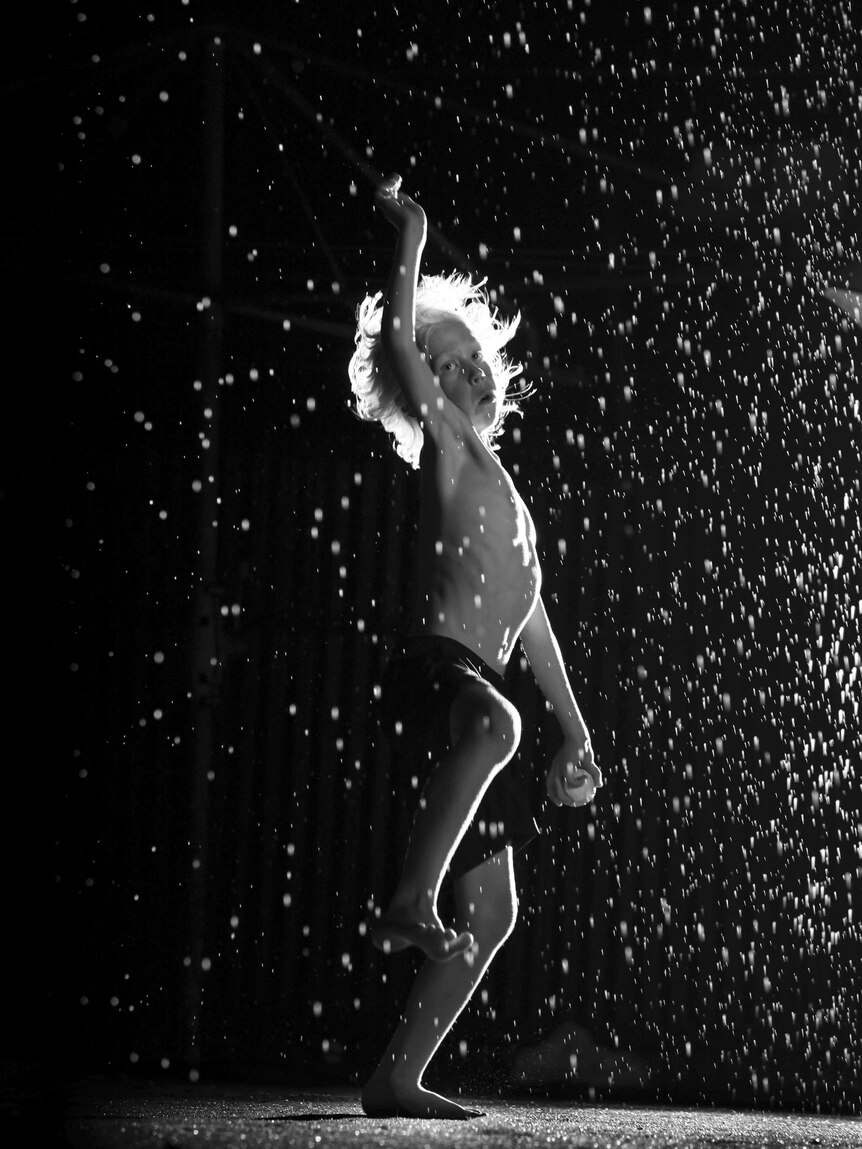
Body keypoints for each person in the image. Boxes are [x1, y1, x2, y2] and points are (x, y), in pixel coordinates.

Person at [348, 174, 602, 1119]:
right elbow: (404, 344)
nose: (461, 376)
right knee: (494, 723)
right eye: (441, 365)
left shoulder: (512, 495)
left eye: (471, 362)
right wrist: (411, 247)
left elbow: (535, 627)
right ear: (421, 389)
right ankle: (411, 898)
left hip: (480, 697)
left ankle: (396, 1075)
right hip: (436, 674)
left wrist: (575, 733)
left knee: (494, 916)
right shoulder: (448, 444)